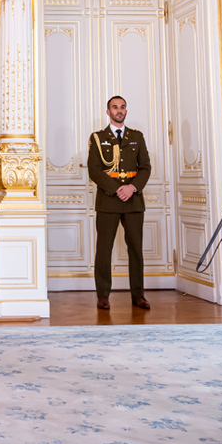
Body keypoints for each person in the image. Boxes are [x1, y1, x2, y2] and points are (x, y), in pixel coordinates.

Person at [87, 96, 152, 311]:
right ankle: (103, 295)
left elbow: (145, 167)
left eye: (122, 107)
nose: (119, 111)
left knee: (136, 249)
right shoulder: (98, 138)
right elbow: (94, 169)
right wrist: (116, 189)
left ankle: (138, 295)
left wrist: (131, 187)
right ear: (108, 112)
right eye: (115, 107)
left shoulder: (137, 137)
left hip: (133, 201)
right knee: (104, 249)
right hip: (108, 200)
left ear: (126, 110)